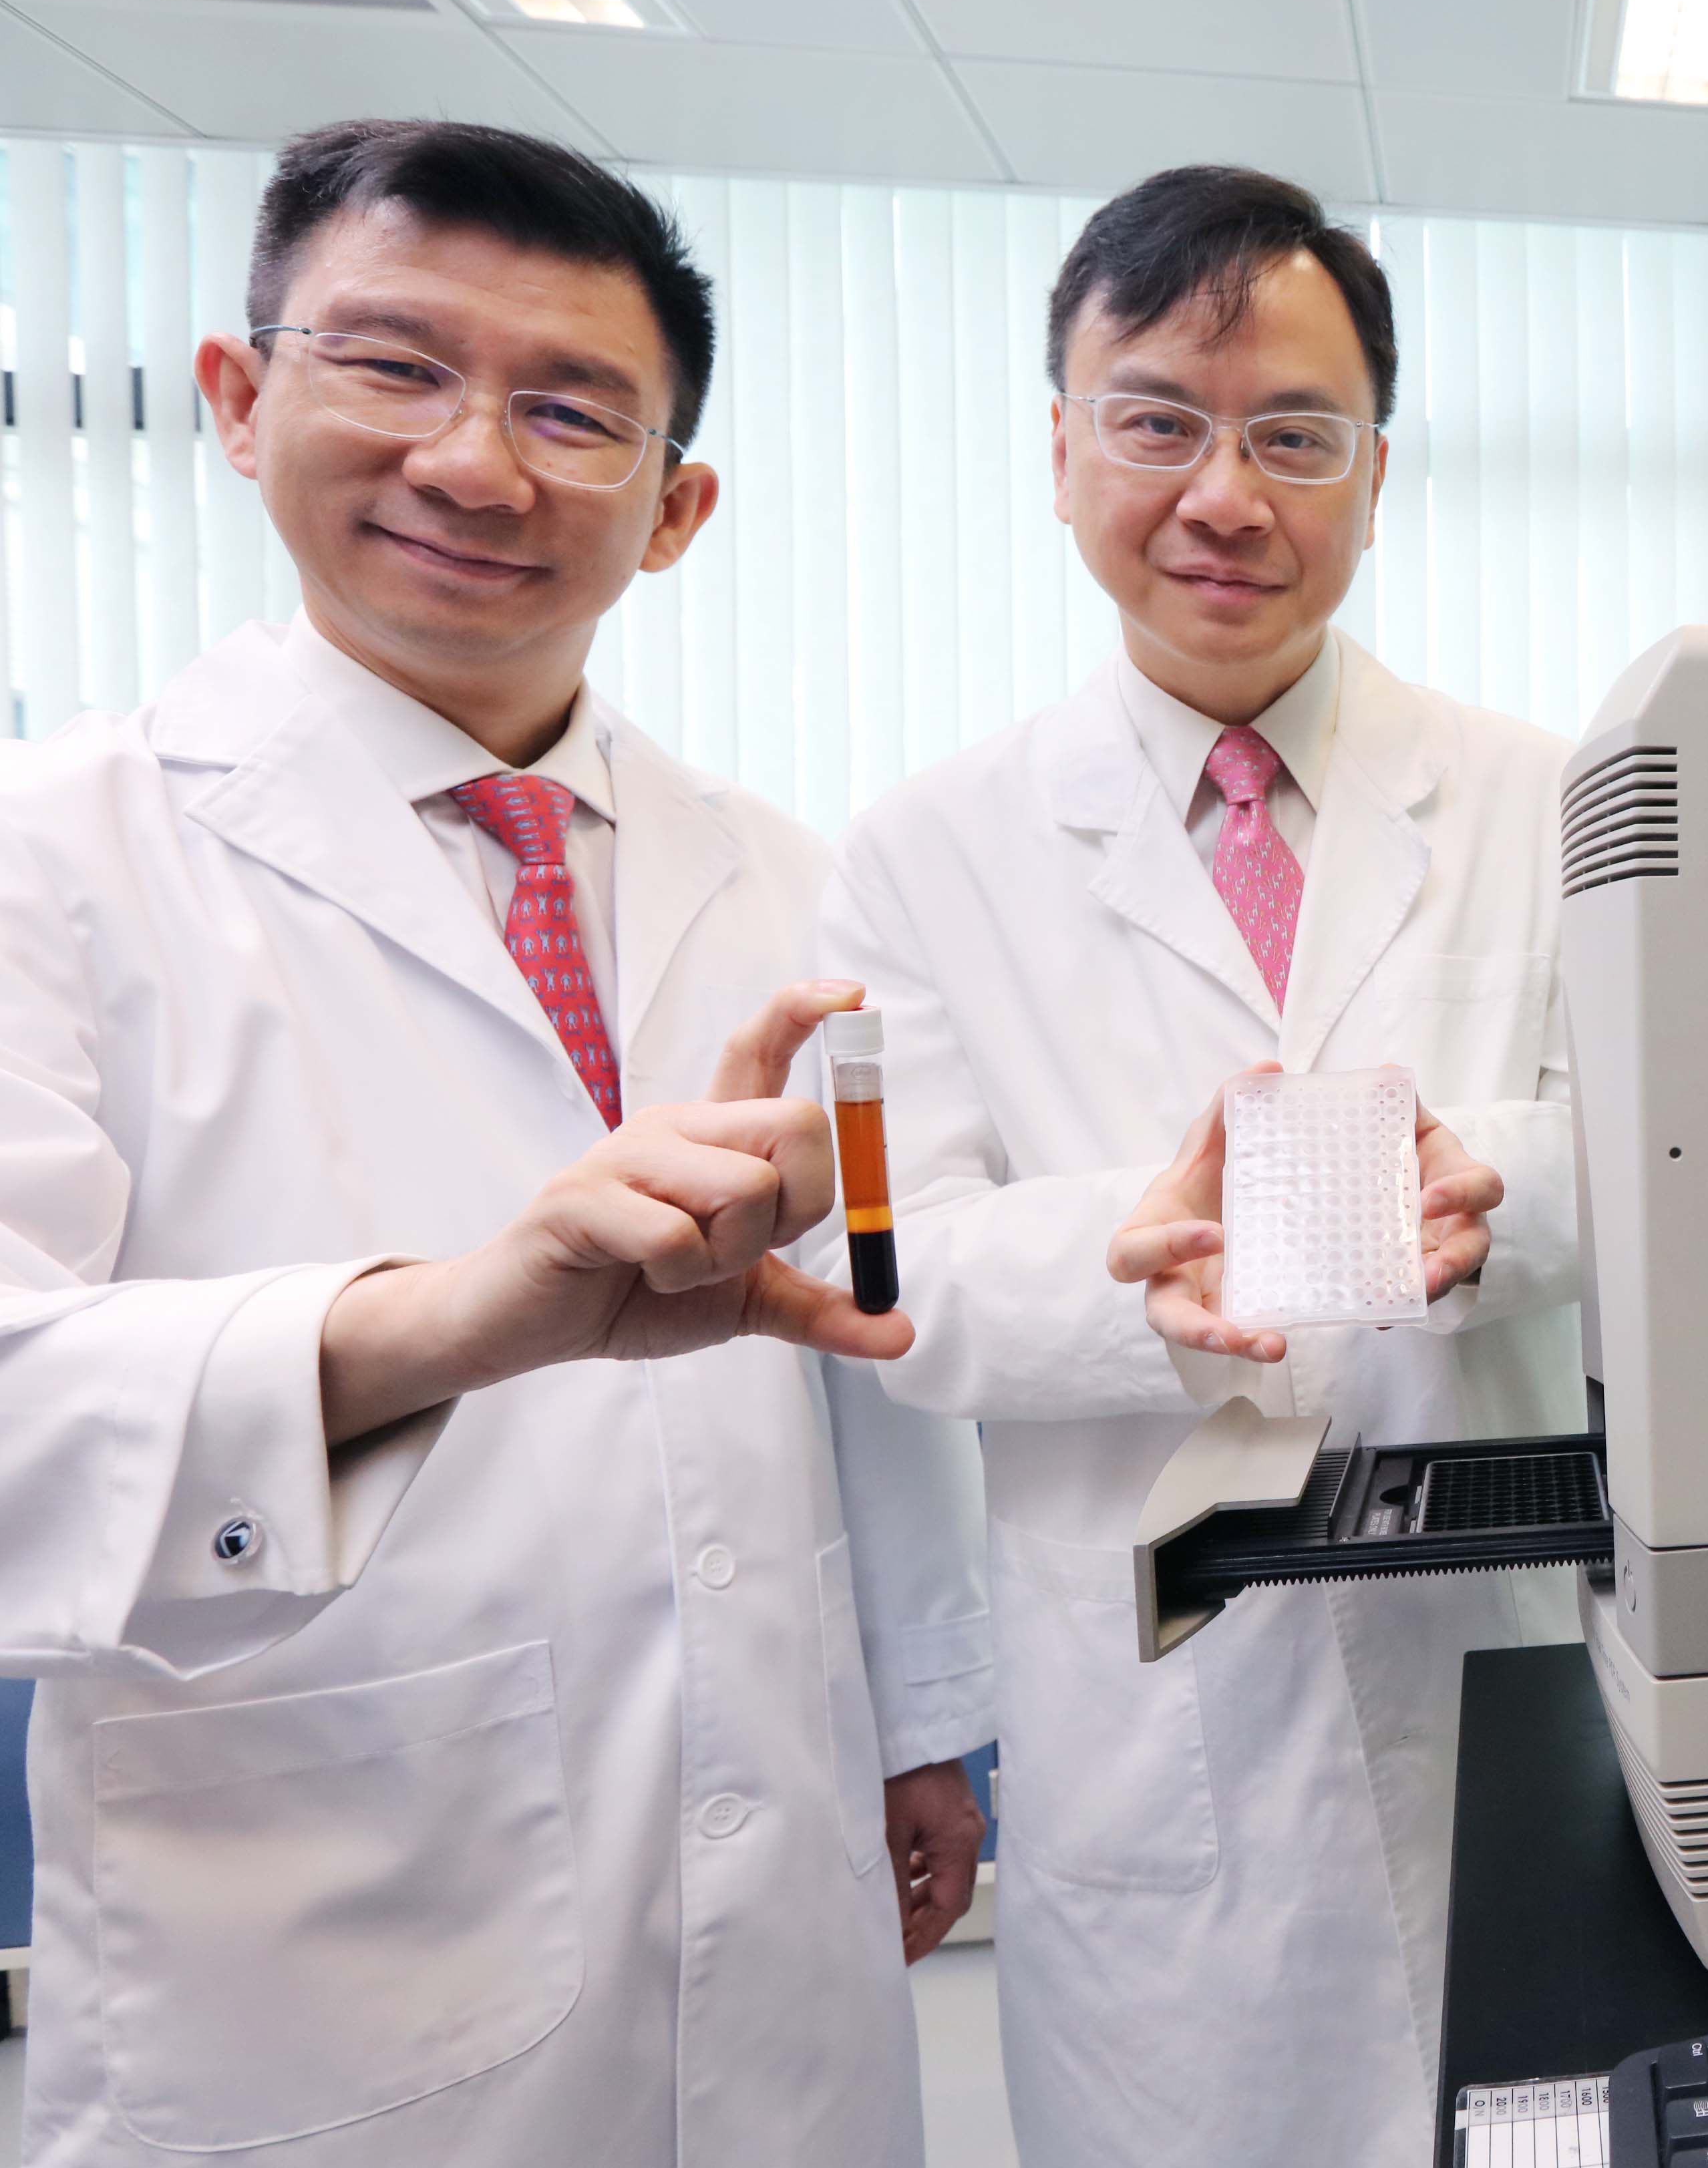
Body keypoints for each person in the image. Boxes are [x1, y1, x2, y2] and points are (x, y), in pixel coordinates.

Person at [0, 120, 992, 2166]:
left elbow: (867, 1317)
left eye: (572, 411)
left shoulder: (798, 876)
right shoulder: (53, 853)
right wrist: (453, 1321)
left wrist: (923, 1726)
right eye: (392, 366)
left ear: (678, 506)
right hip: (318, 1949)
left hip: (785, 1880)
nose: (475, 462)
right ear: (236, 396)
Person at [820, 166, 1580, 2167]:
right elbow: (896, 1274)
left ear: (1376, 472)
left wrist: (1490, 1183)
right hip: (1162, 1725)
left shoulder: (1548, 797)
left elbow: (1674, 1147)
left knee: (1550, 2116)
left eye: (1292, 437)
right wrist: (1128, 1262)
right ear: (1062, 451)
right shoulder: (923, 851)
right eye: (1155, 419)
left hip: (1505, 1657)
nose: (1223, 495)